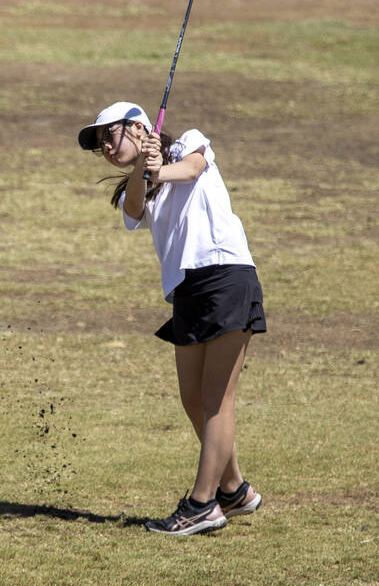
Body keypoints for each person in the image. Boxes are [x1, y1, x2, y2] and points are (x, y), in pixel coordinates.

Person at [76, 101, 266, 536]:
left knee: (216, 399)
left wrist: (157, 167)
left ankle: (203, 504)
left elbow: (194, 169)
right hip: (187, 291)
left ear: (140, 127)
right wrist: (144, 169)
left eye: (111, 134)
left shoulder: (187, 144)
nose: (105, 146)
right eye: (99, 143)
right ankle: (234, 488)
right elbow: (134, 209)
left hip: (224, 274)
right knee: (192, 399)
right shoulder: (134, 186)